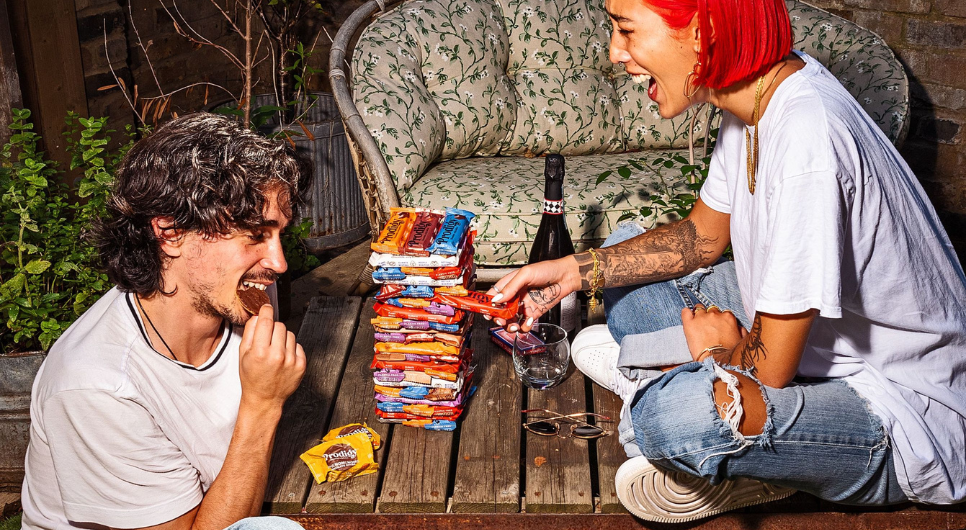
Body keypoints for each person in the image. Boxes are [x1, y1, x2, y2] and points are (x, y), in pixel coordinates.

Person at [489, 0, 966, 522]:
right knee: (626, 253)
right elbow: (699, 239)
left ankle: (666, 396)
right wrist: (572, 272)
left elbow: (769, 371)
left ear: (704, 30)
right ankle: (670, 379)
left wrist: (715, 353)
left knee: (673, 420)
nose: (614, 52)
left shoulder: (807, 140)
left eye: (626, 29)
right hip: (816, 345)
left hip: (903, 413)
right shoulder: (758, 95)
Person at [21, 113, 310, 530]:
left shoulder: (242, 295)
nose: (279, 263)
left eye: (280, 233)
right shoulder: (98, 388)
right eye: (254, 235)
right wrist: (264, 404)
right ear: (171, 232)